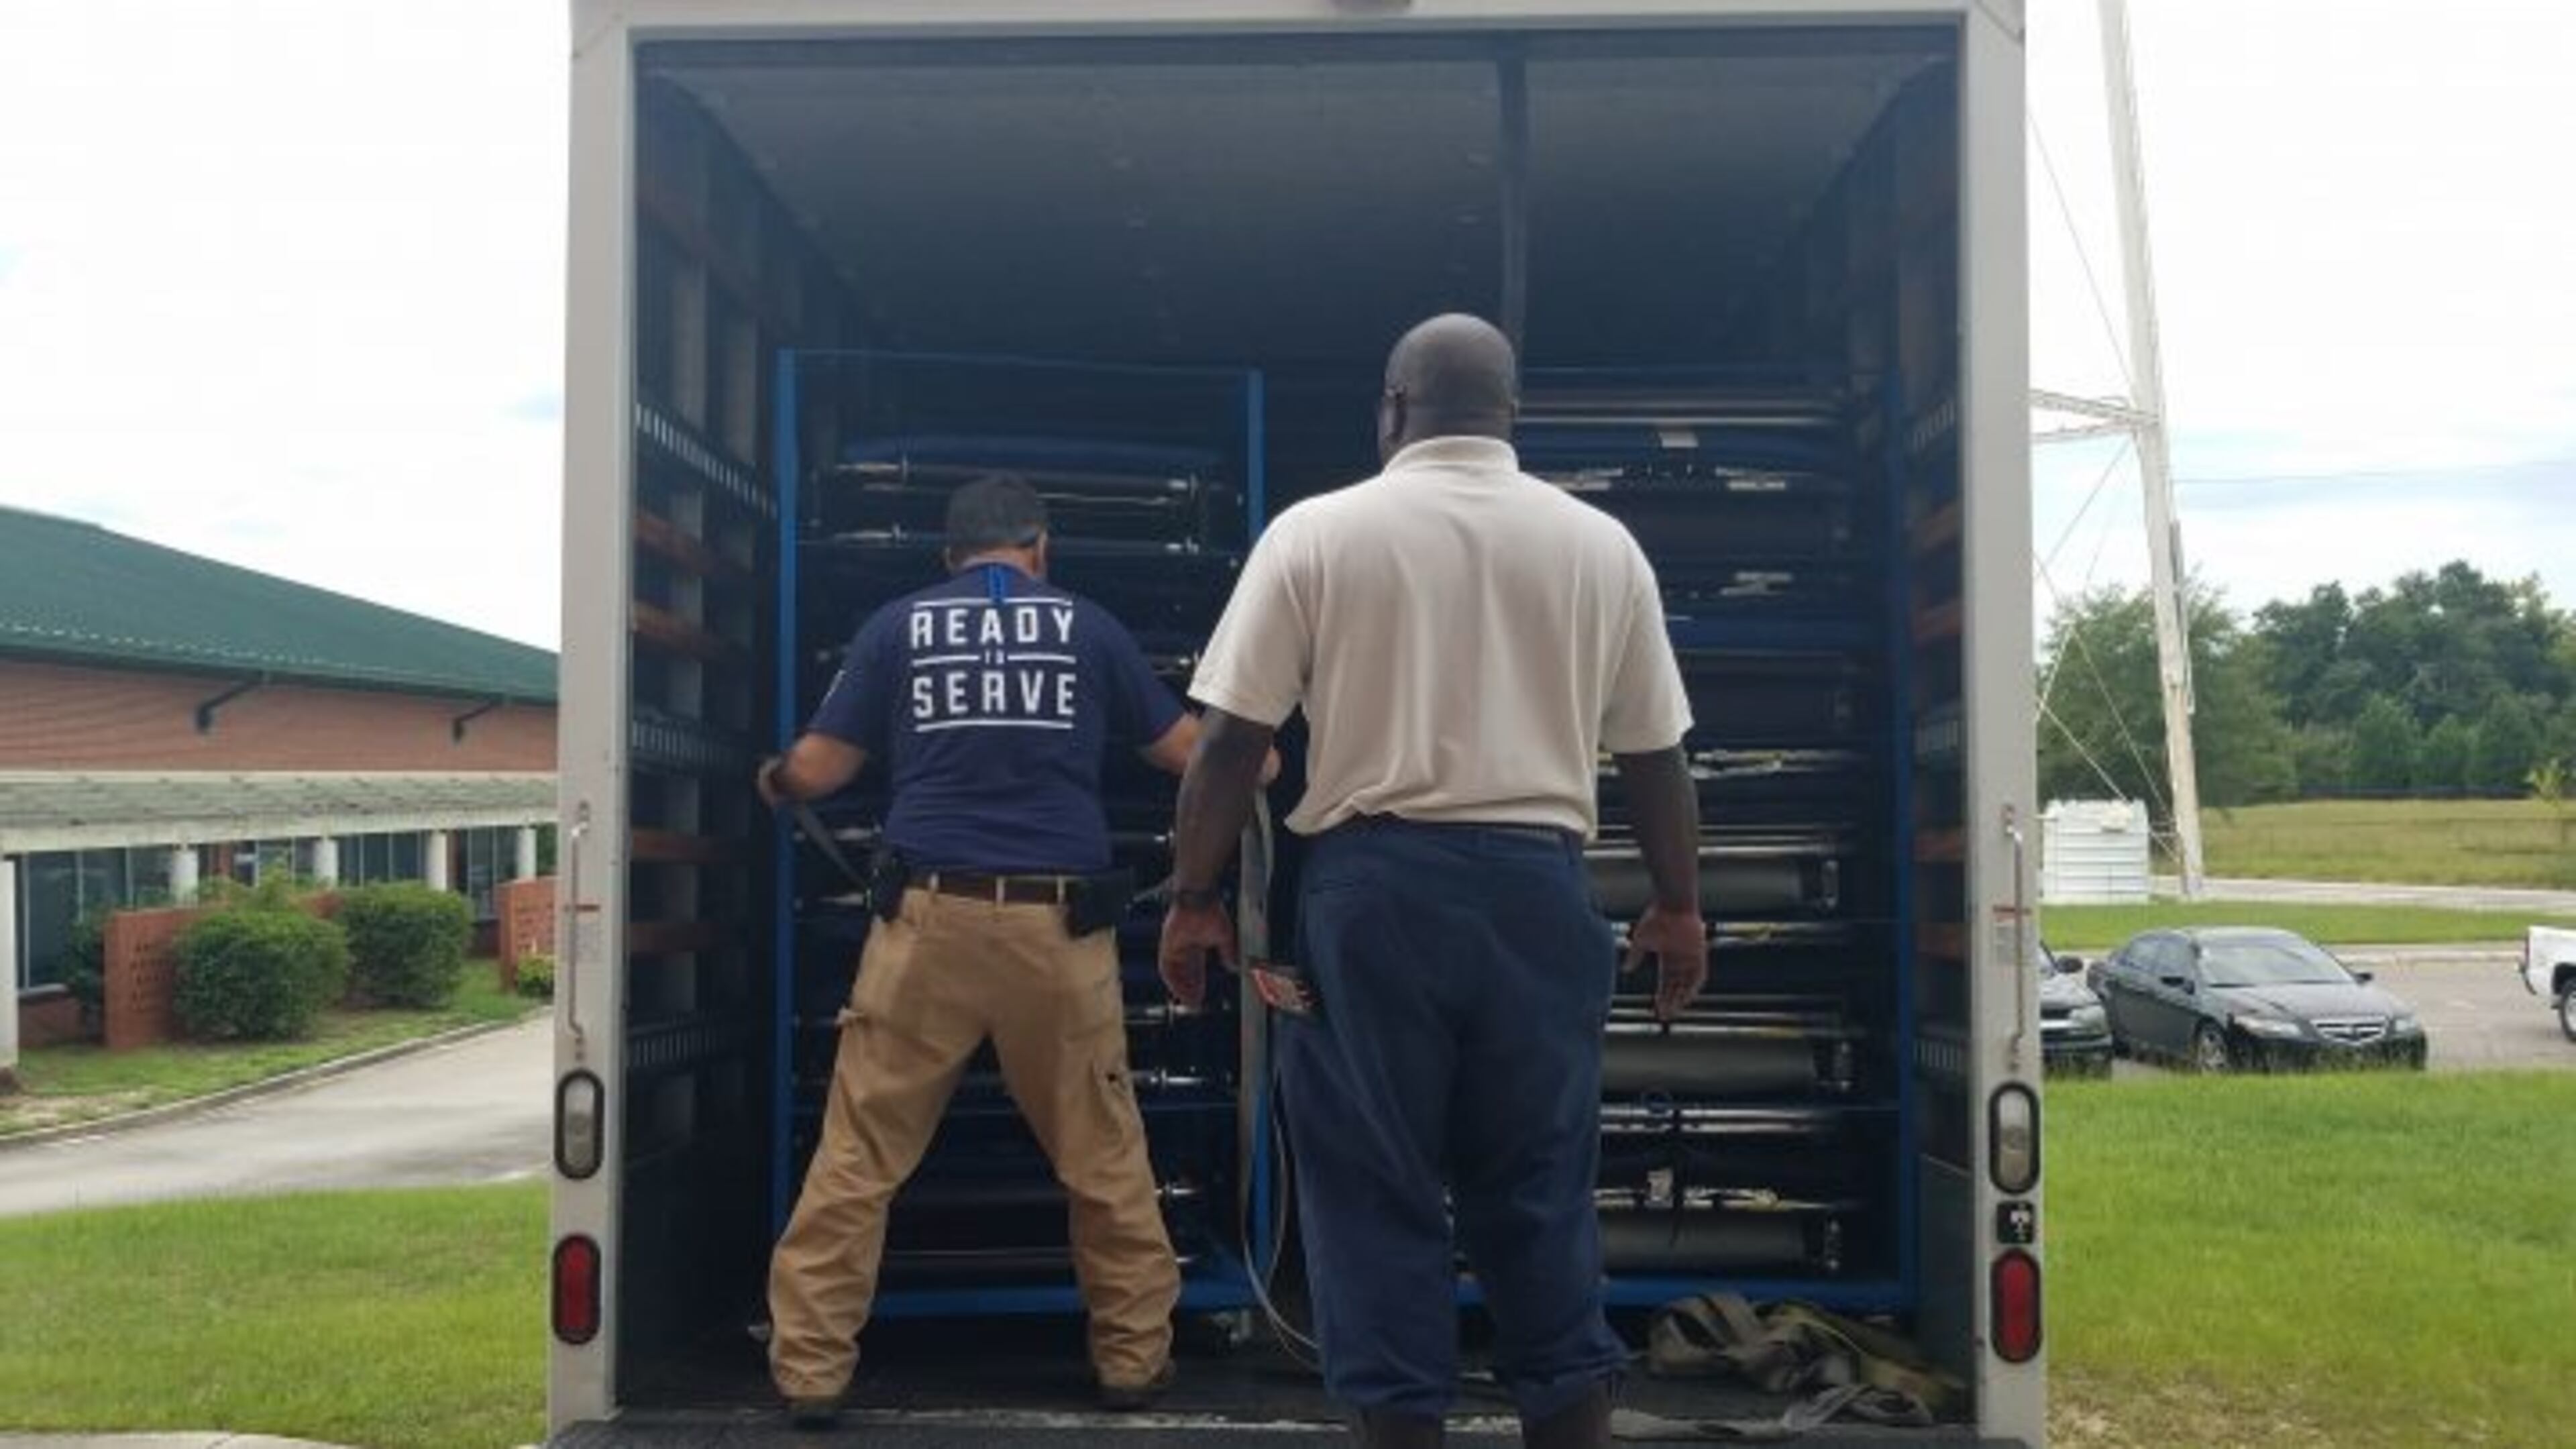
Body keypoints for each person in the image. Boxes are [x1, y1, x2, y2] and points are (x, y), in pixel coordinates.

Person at [1158, 315, 1710, 1449]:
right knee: (1541, 1180)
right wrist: (1679, 904)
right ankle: (1569, 1422)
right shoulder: (1601, 547)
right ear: (1512, 414)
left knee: (1372, 1184)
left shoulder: (1318, 534)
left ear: (1393, 409)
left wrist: (1194, 897)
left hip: (1376, 893)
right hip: (1542, 892)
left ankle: (1403, 1428)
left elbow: (1226, 745)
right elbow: (1658, 754)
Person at [758, 475, 1213, 1428]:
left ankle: (810, 1371)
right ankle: (1132, 1361)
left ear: (949, 557)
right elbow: (1187, 752)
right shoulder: (1087, 627)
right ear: (1040, 548)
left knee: (859, 1155)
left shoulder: (897, 628)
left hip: (925, 927)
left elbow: (815, 770)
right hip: (1059, 934)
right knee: (1103, 1157)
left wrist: (772, 776)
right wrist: (1265, 758)